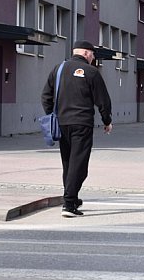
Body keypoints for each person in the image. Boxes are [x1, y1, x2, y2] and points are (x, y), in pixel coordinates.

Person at [41, 40, 113, 217]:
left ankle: (71, 198)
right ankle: (69, 203)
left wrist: (52, 114)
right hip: (82, 124)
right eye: (93, 54)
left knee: (68, 162)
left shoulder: (58, 69)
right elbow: (103, 100)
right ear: (87, 53)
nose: (94, 58)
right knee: (79, 164)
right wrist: (107, 120)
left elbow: (45, 96)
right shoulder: (91, 72)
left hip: (62, 123)